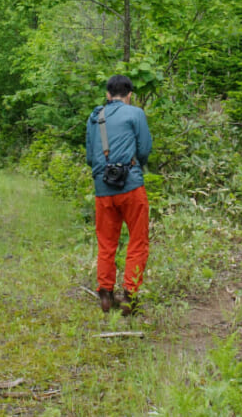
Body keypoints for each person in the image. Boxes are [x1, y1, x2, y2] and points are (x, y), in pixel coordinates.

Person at [85, 75, 153, 315]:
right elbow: (144, 149)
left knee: (106, 242)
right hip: (131, 186)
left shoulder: (95, 117)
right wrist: (134, 167)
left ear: (108, 95)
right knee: (137, 241)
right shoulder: (136, 114)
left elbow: (90, 158)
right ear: (129, 95)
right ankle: (129, 296)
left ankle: (105, 293)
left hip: (103, 190)